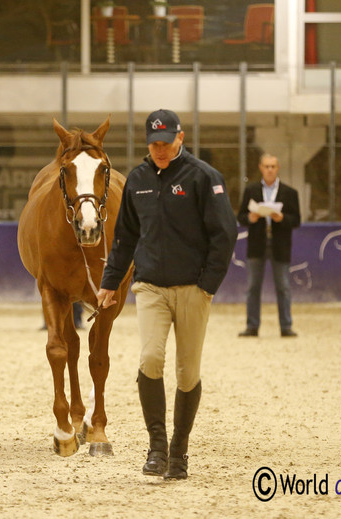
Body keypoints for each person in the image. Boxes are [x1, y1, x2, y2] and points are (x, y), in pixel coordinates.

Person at [96, 109, 237, 480]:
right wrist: (110, 282)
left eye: (165, 142)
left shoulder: (204, 178)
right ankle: (157, 447)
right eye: (153, 143)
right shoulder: (138, 180)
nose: (159, 149)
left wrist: (207, 285)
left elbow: (225, 234)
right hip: (150, 287)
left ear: (180, 137)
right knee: (150, 358)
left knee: (187, 373)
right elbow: (125, 237)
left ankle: (180, 451)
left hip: (193, 289)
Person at [236, 153, 301, 338]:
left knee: (283, 287)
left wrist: (281, 218)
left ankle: (286, 326)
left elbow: (296, 220)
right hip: (257, 244)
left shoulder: (290, 193)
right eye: (266, 166)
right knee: (253, 287)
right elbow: (240, 216)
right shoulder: (251, 190)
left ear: (278, 168)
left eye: (273, 166)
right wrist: (250, 217)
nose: (270, 170)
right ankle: (252, 326)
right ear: (260, 168)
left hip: (280, 244)